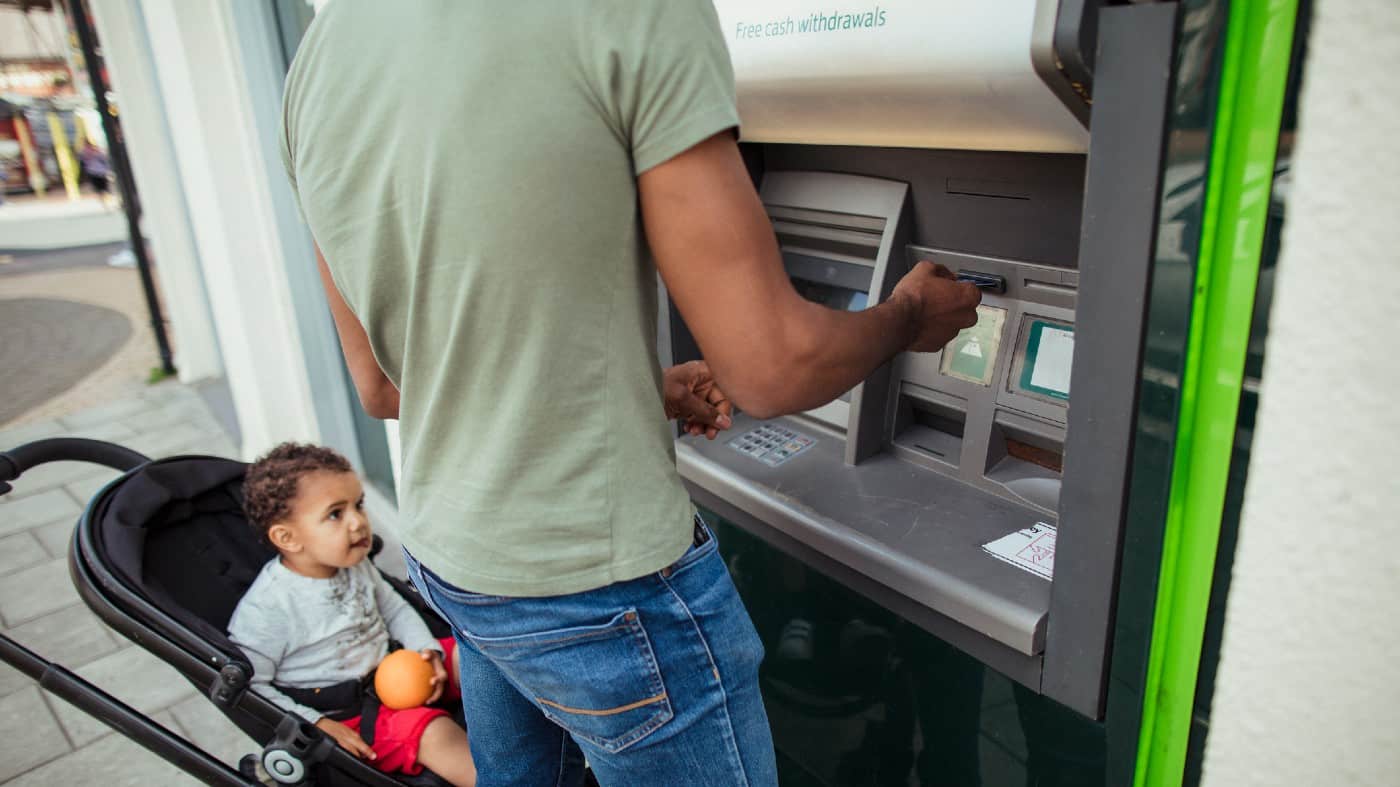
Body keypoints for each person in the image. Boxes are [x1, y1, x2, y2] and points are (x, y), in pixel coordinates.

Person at [279, 2, 980, 784]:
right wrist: (911, 312)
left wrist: (635, 390)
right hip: (601, 593)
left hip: (461, 566)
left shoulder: (320, 57)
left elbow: (385, 383)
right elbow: (775, 367)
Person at [229, 443, 477, 787]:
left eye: (358, 505)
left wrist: (427, 649)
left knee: (473, 656)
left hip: (398, 668)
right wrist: (312, 725)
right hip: (355, 715)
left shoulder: (351, 563)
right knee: (437, 737)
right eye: (336, 514)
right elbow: (251, 685)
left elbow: (393, 608)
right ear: (288, 537)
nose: (359, 522)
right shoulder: (270, 608)